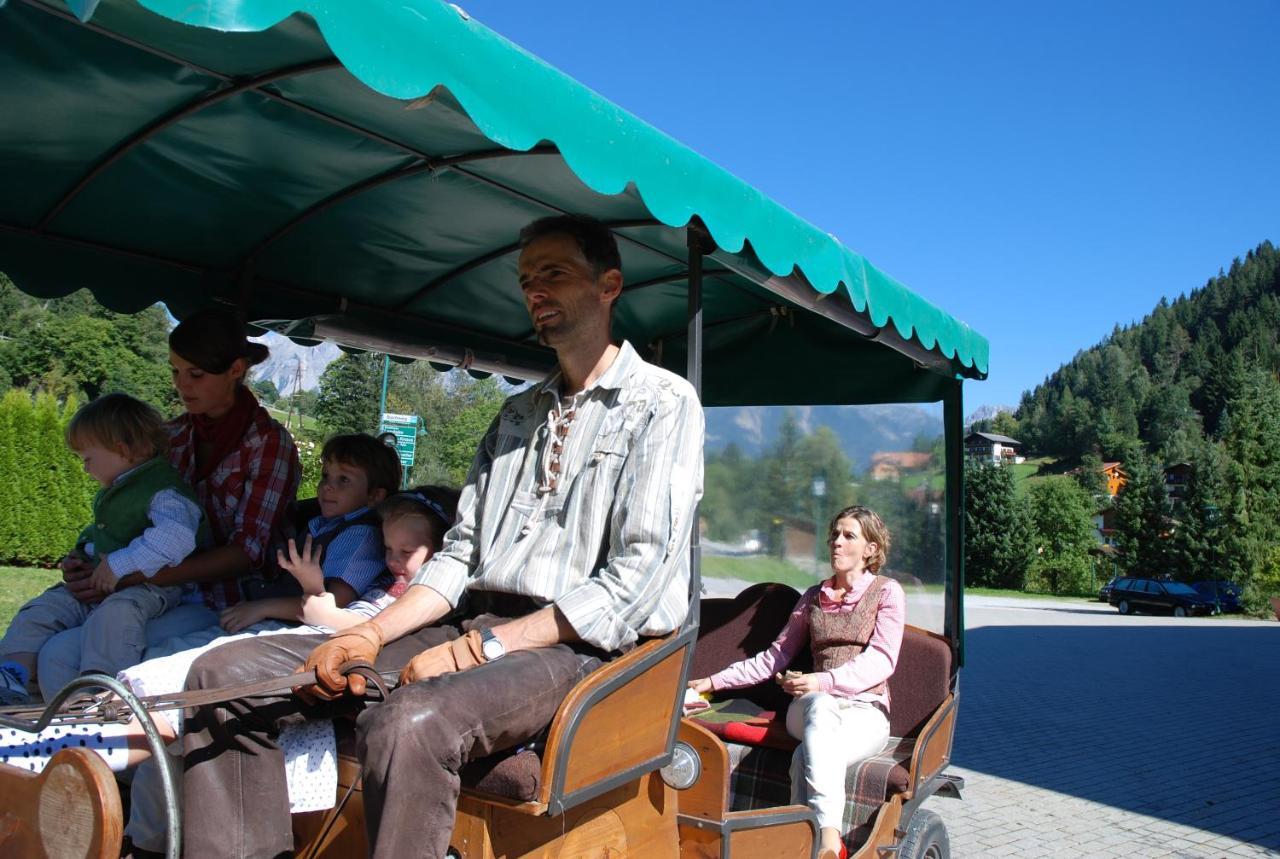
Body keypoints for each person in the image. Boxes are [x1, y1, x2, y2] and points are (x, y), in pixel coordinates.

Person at [179, 214, 705, 859]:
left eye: (555, 274)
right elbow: (459, 555)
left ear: (609, 285)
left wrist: (480, 650)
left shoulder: (662, 402)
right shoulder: (517, 414)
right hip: (475, 621)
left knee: (410, 722)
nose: (535, 290)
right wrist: (367, 633)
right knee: (222, 676)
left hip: (577, 648)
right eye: (526, 280)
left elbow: (635, 578)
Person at [0, 486, 459, 858]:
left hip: (323, 649)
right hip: (304, 637)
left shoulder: (413, 601)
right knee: (167, 670)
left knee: (194, 677)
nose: (396, 560)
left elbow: (360, 626)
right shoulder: (387, 583)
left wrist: (320, 604)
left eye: (408, 552)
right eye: (389, 549)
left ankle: (74, 755)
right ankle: (74, 743)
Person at [36, 308, 302, 698]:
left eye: (196, 374)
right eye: (175, 371)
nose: (182, 385)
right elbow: (127, 515)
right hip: (151, 591)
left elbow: (249, 551)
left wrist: (130, 574)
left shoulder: (270, 445)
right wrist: (89, 561)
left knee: (94, 660)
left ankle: (116, 740)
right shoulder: (170, 435)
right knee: (55, 652)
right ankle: (85, 748)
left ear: (236, 370)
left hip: (223, 602)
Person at [688, 506, 905, 859]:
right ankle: (831, 843)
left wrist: (822, 680)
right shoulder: (813, 597)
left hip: (865, 712)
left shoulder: (887, 593)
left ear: (871, 549)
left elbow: (882, 659)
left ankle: (798, 847)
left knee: (808, 754)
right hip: (809, 709)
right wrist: (710, 681)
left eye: (849, 535)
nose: (836, 542)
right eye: (835, 534)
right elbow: (773, 658)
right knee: (820, 708)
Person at [0, 393, 209, 704]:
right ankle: (11, 679)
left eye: (87, 459)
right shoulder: (119, 488)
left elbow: (176, 537)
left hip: (156, 588)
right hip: (108, 585)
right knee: (44, 609)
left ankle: (101, 691)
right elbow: (106, 531)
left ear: (122, 450)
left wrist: (117, 565)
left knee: (115, 615)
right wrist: (81, 554)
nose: (85, 469)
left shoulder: (164, 491)